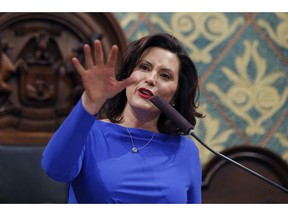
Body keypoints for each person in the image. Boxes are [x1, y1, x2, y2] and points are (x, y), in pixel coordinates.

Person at [41, 32, 204, 204]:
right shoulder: (90, 134)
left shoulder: (186, 151)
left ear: (176, 97)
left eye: (165, 76)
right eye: (144, 67)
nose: (150, 79)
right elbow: (54, 169)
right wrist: (89, 102)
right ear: (128, 76)